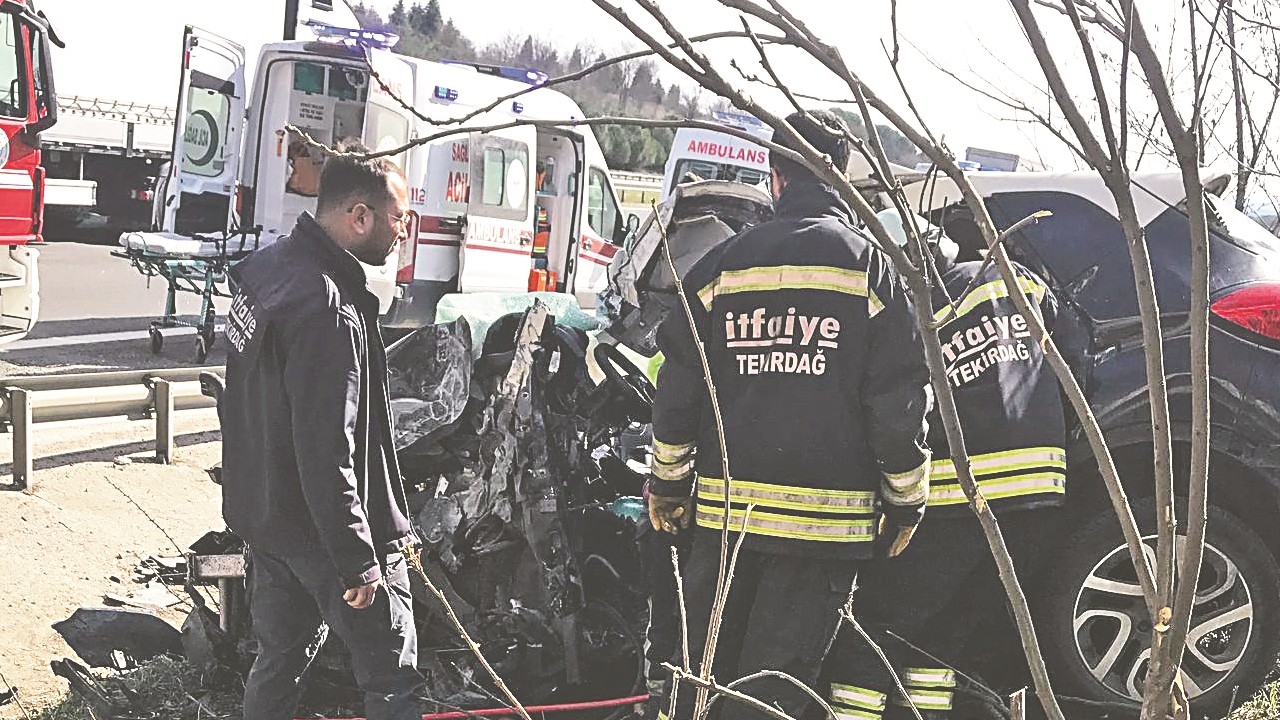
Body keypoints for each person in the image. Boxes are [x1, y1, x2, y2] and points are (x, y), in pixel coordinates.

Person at [646, 110, 933, 720]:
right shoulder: (870, 268)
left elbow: (677, 390)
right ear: (841, 175)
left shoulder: (721, 268)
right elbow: (897, 402)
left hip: (727, 527)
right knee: (773, 694)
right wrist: (906, 501)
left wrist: (668, 485)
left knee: (703, 680)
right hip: (822, 536)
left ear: (774, 178)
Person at [830, 214, 1070, 720]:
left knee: (874, 624)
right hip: (1041, 493)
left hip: (963, 495)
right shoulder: (1021, 281)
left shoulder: (915, 306)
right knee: (941, 633)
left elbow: (892, 403)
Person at [220, 142, 424, 720]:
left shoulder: (269, 271)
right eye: (398, 218)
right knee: (391, 674)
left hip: (265, 515)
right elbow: (326, 448)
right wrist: (358, 559)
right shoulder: (326, 308)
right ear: (358, 216)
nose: (403, 231)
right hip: (322, 534)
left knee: (278, 658)